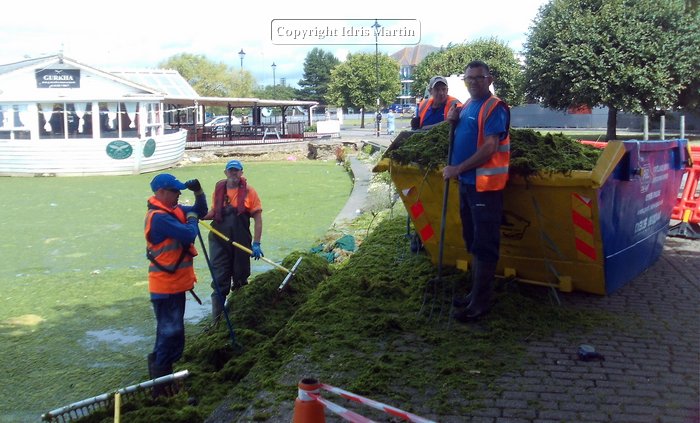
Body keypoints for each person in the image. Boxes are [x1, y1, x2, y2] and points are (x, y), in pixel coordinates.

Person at [442, 60, 511, 323]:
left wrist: (457, 168)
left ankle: (480, 304)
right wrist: (453, 120)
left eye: (478, 78)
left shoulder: (495, 107)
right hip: (468, 185)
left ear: (489, 79)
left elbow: (490, 147)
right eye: (468, 78)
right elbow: (466, 132)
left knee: (484, 244)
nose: (472, 82)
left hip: (485, 187)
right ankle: (473, 295)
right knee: (472, 239)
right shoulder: (469, 105)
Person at [144, 173, 207, 396]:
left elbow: (200, 209)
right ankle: (160, 388)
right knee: (169, 333)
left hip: (175, 286)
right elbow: (189, 234)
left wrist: (198, 192)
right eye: (175, 190)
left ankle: (162, 378)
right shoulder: (159, 218)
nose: (179, 194)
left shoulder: (173, 210)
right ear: (160, 193)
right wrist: (191, 219)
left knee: (171, 334)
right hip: (165, 288)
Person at [204, 159, 264, 321]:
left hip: (241, 241)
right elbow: (213, 213)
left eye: (237, 170)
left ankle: (238, 316)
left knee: (240, 277)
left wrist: (256, 243)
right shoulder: (219, 191)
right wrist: (197, 216)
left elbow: (258, 218)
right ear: (225, 172)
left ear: (241, 173)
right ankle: (217, 320)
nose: (234, 173)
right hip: (219, 241)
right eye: (231, 170)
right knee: (219, 280)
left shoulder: (250, 192)